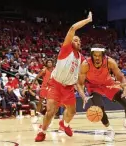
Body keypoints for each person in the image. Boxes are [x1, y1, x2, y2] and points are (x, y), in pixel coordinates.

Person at [35, 11, 92, 142]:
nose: (78, 42)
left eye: (80, 41)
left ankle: (64, 125)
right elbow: (73, 28)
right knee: (51, 111)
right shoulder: (66, 49)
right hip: (56, 85)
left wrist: (83, 95)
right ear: (70, 42)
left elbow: (77, 80)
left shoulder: (81, 59)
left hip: (69, 88)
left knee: (72, 112)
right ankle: (42, 132)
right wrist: (88, 20)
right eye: (76, 40)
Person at [76, 44, 126, 142]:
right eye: (95, 55)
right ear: (91, 55)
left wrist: (125, 90)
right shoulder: (85, 64)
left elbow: (121, 77)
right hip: (94, 86)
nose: (97, 58)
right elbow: (79, 83)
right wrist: (83, 96)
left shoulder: (110, 62)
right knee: (99, 109)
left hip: (108, 84)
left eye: (99, 55)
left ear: (103, 55)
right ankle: (110, 130)